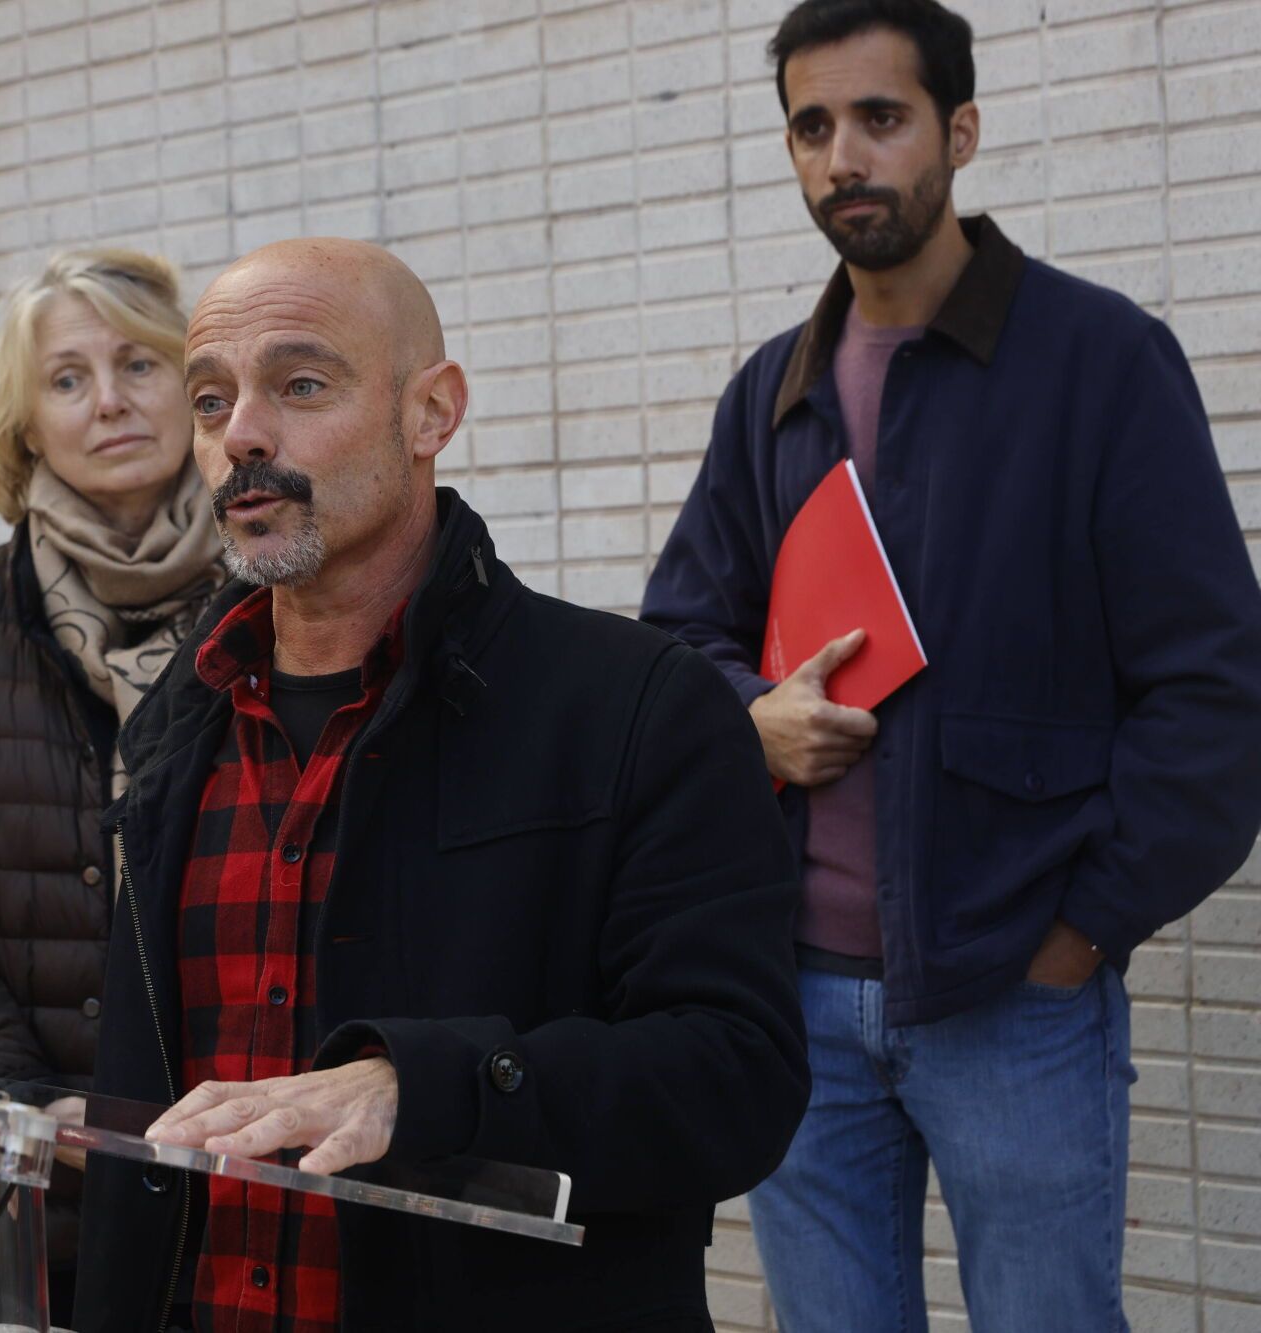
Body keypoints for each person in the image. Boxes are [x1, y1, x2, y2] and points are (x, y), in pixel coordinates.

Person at [639, 2, 1261, 1328]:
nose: (843, 157)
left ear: (958, 131)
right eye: (811, 126)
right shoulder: (772, 393)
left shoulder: (1099, 362)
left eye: (881, 117)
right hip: (797, 999)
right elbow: (675, 643)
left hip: (1015, 997)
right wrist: (752, 718)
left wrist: (1079, 933)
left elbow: (1214, 688)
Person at [72, 237, 809, 1332]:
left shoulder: (635, 706)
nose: (243, 436)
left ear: (431, 413)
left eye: (300, 385)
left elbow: (736, 1077)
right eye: (212, 399)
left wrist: (422, 1086)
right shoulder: (178, 722)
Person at [0, 248, 223, 1321]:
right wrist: (21, 1097)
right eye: (67, 378)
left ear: (197, 389)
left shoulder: (284, 593)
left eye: (138, 364)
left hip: (248, 1152)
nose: (109, 401)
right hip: (34, 1171)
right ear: (25, 426)